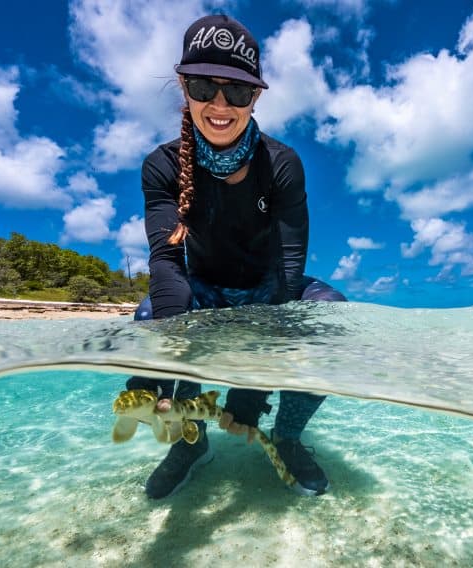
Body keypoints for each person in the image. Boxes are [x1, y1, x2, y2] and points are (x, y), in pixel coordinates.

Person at [126, 14, 346, 500]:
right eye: (205, 86)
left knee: (330, 318)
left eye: (238, 92)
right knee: (147, 318)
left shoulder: (282, 163)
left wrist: (255, 382)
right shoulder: (161, 167)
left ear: (256, 97)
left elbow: (290, 273)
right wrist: (164, 363)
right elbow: (167, 267)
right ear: (184, 87)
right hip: (202, 287)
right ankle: (190, 442)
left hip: (272, 286)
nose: (220, 104)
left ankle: (287, 435)